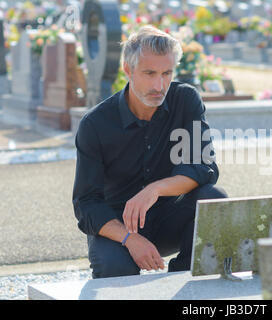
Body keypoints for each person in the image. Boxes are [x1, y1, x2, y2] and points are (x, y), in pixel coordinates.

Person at [72, 25, 227, 279]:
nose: (159, 85)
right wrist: (130, 238)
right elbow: (86, 204)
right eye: (150, 73)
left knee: (214, 198)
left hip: (169, 219)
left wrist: (153, 190)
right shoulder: (94, 124)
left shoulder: (185, 100)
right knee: (115, 269)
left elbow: (204, 168)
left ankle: (183, 286)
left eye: (167, 73)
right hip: (118, 229)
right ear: (128, 70)